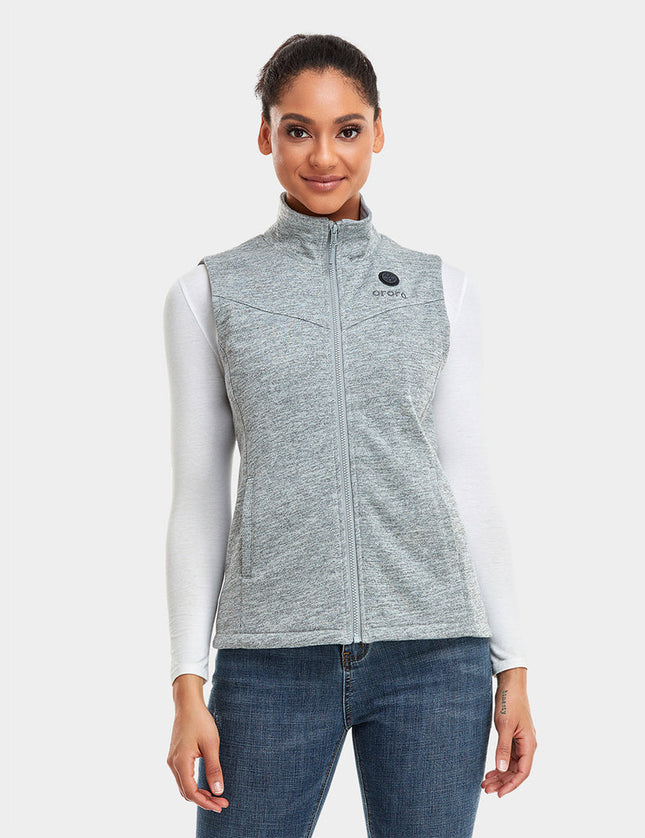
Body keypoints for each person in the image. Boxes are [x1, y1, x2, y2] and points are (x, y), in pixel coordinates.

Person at [163, 33, 537, 838]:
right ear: (264, 133)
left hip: (436, 656)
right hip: (268, 660)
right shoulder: (209, 292)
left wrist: (511, 665)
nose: (323, 156)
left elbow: (467, 477)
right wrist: (187, 679)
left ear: (378, 131)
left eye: (347, 129)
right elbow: (197, 494)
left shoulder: (442, 289)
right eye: (297, 130)